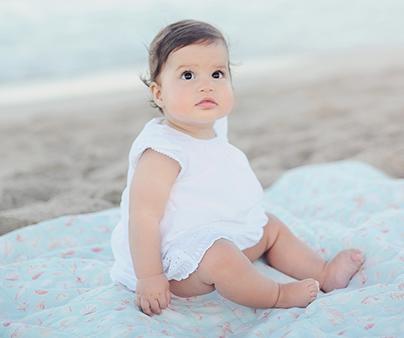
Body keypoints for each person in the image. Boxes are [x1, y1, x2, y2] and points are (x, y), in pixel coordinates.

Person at [111, 19, 364, 316]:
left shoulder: (213, 126)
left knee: (269, 227)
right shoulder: (164, 151)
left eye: (217, 73)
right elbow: (142, 217)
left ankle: (323, 272)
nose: (206, 85)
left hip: (215, 233)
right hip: (175, 261)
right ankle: (277, 294)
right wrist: (150, 277)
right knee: (221, 257)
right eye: (188, 75)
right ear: (159, 94)